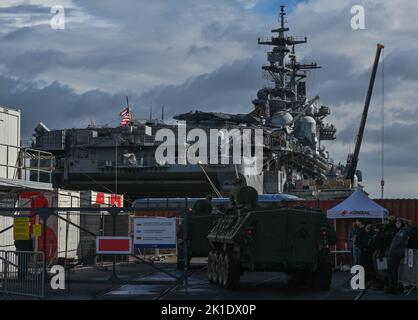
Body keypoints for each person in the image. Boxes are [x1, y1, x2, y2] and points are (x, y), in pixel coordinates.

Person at [385, 219, 410, 293]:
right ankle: (393, 285)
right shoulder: (400, 231)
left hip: (395, 253)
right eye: (396, 223)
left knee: (392, 269)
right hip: (397, 252)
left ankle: (392, 285)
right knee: (394, 270)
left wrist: (391, 249)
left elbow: (398, 242)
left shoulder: (402, 231)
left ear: (401, 224)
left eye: (398, 223)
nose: (397, 224)